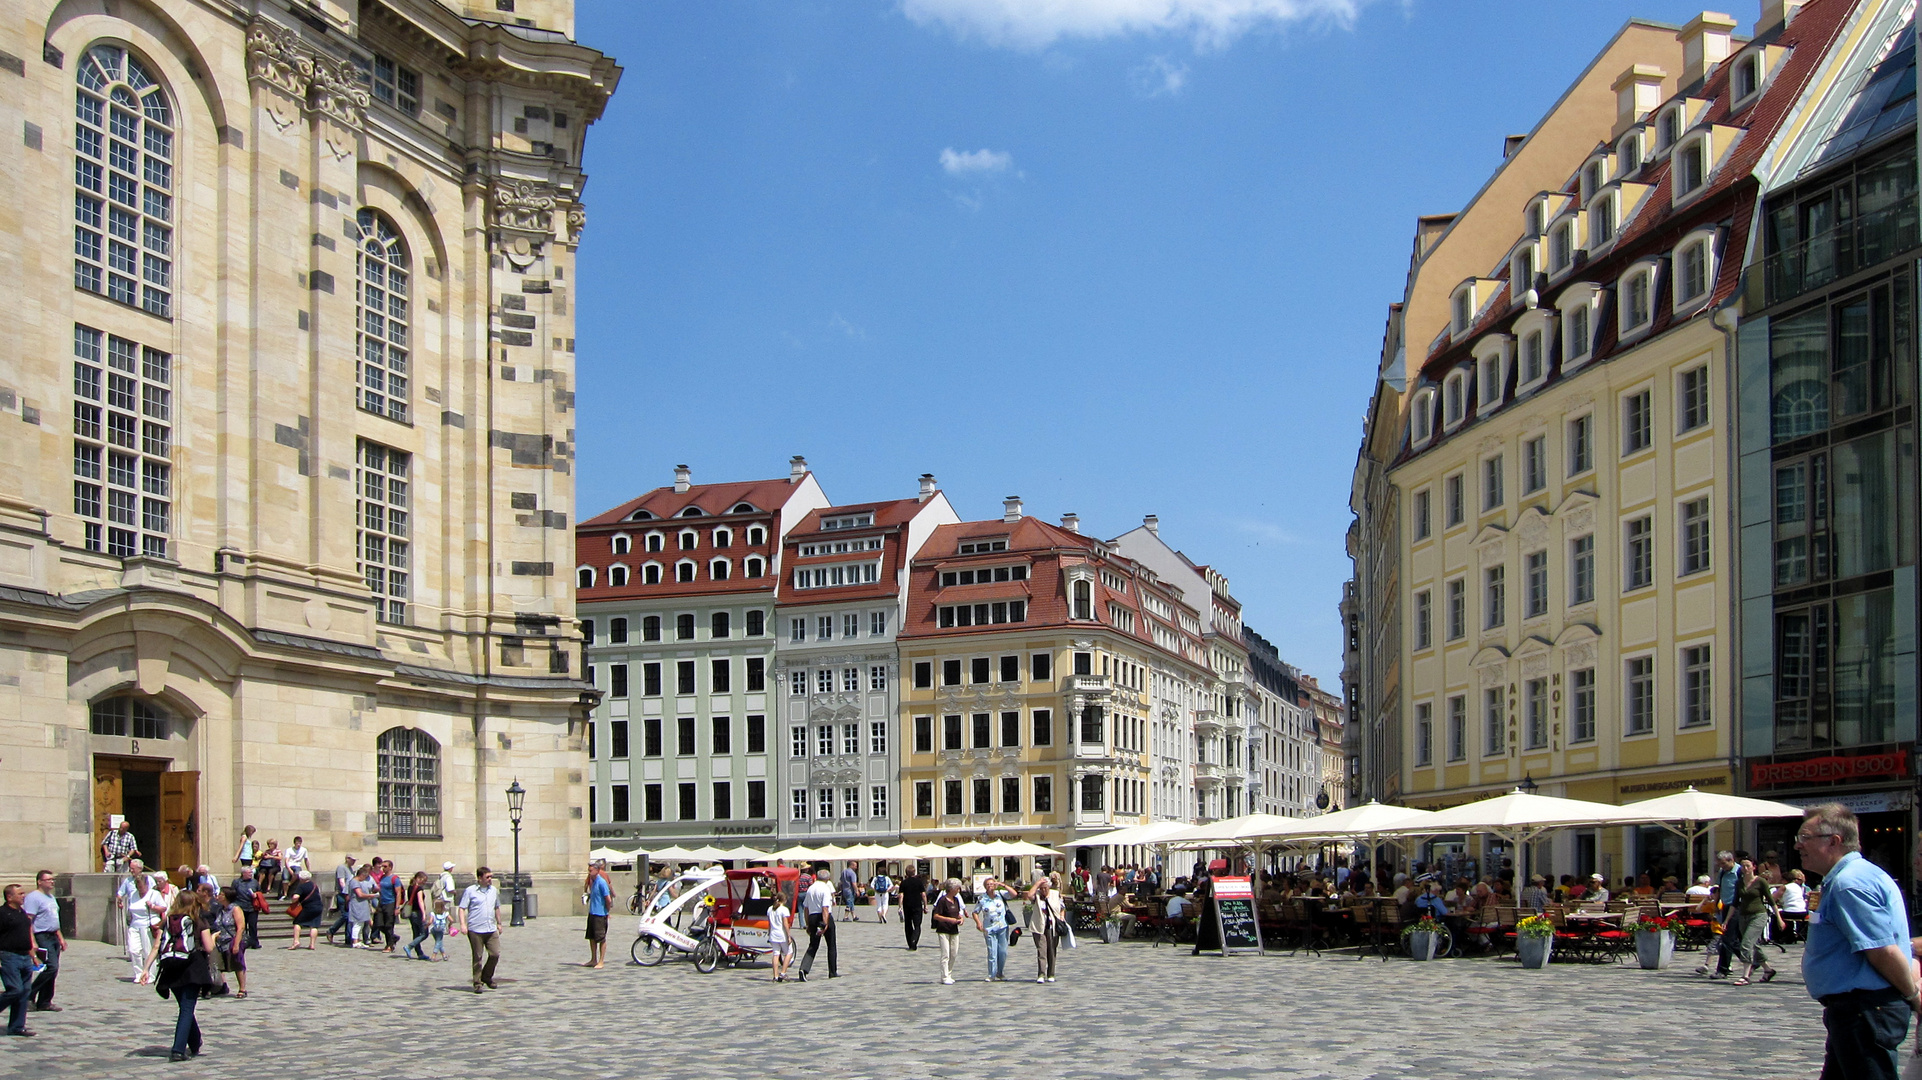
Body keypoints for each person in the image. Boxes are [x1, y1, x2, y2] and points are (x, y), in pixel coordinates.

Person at [1796, 803, 1915, 1079]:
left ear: (1834, 841)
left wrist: (1914, 996)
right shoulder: (1845, 878)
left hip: (1865, 1010)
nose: (1798, 846)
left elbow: (1881, 949)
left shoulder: (1850, 883)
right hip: (1856, 1011)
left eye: (1804, 838)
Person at [147, 888, 216, 1061]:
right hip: (193, 968)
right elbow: (208, 948)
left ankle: (195, 1042)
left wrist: (145, 969)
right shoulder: (199, 921)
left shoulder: (168, 921)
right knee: (186, 1009)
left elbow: (157, 946)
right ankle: (178, 1050)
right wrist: (214, 938)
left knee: (185, 1008)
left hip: (171, 968)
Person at [0, 884, 41, 1037]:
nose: (24, 896)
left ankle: (17, 1026)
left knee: (24, 992)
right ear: (9, 897)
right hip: (9, 957)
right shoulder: (3, 914)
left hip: (25, 957)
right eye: (20, 894)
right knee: (14, 990)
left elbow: (27, 936)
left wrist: (34, 956)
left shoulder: (22, 913)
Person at [1729, 859, 1777, 987]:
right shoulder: (1739, 882)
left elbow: (1771, 901)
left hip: (1758, 915)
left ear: (1754, 867)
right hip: (1743, 916)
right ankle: (1768, 970)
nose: (1745, 868)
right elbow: (1735, 902)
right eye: (1743, 866)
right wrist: (1726, 920)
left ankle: (1745, 975)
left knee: (1746, 944)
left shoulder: (1760, 881)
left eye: (1748, 866)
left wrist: (1779, 918)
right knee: (1753, 945)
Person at [456, 866, 504, 993]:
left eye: (491, 877)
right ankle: (477, 982)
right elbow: (462, 908)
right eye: (487, 877)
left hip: (490, 927)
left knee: (495, 954)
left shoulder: (493, 890)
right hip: (475, 929)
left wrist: (499, 923)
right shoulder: (470, 891)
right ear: (479, 878)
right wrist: (462, 924)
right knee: (477, 956)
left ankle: (486, 977)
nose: (490, 879)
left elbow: (497, 907)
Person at [24, 871, 64, 1013]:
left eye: (52, 880)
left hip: (53, 935)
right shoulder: (33, 898)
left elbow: (54, 919)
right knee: (50, 967)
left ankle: (45, 1001)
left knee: (53, 969)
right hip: (41, 935)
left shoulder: (51, 897)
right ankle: (29, 995)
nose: (52, 882)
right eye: (48, 880)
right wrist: (32, 941)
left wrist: (60, 938)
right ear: (39, 882)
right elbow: (28, 921)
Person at [798, 869, 837, 981]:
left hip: (812, 916)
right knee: (831, 945)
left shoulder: (811, 888)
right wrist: (825, 924)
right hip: (823, 917)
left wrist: (808, 924)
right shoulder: (825, 889)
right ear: (827, 878)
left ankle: (804, 969)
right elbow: (825, 907)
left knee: (813, 945)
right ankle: (832, 971)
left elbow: (806, 908)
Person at [973, 878, 1013, 982]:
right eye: (988, 884)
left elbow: (1014, 894)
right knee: (992, 952)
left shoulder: (1000, 894)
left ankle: (1000, 972)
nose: (990, 886)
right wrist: (978, 923)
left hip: (1002, 926)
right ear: (985, 886)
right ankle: (991, 974)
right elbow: (975, 912)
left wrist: (1002, 885)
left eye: (992, 884)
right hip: (989, 928)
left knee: (1003, 951)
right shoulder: (982, 898)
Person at [214, 885, 250, 998]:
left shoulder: (235, 909)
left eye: (221, 894)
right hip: (221, 942)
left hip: (233, 940)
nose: (218, 896)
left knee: (237, 964)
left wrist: (236, 944)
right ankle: (223, 986)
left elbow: (241, 927)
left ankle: (242, 988)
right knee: (221, 964)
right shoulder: (220, 909)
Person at [1029, 876, 1065, 983]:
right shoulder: (1037, 895)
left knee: (1052, 950)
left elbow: (1062, 907)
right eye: (1041, 888)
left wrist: (1062, 917)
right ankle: (1041, 974)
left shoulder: (1055, 894)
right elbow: (1029, 895)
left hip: (1053, 926)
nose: (1043, 890)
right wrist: (1037, 883)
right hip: (1039, 926)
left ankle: (1051, 974)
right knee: (1042, 950)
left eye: (1045, 888)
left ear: (1049, 887)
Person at [931, 878, 965, 985]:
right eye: (957, 888)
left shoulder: (956, 900)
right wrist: (948, 920)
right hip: (943, 930)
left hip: (954, 929)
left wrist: (961, 918)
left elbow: (958, 913)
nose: (958, 890)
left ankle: (949, 973)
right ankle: (944, 976)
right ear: (951, 889)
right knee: (945, 954)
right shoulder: (942, 900)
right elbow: (936, 916)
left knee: (954, 953)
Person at [583, 862, 612, 968]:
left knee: (601, 938)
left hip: (600, 914)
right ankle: (593, 959)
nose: (589, 872)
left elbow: (608, 899)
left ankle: (601, 961)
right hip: (592, 913)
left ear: (597, 870)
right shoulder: (593, 881)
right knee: (591, 937)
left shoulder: (601, 882)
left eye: (590, 870)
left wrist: (607, 912)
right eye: (588, 870)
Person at [285, 869, 323, 949]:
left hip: (308, 907)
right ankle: (312, 944)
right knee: (314, 925)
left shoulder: (301, 886)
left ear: (301, 878)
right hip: (318, 906)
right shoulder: (314, 885)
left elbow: (296, 897)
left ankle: (296, 941)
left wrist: (293, 900)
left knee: (297, 922)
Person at [325, 854, 356, 943]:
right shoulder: (341, 868)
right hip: (342, 894)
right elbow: (342, 882)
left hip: (349, 895)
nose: (354, 862)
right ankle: (331, 930)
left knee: (349, 917)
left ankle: (348, 937)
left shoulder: (351, 869)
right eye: (352, 860)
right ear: (347, 859)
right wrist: (346, 892)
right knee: (345, 915)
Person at [403, 871, 433, 960]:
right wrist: (424, 914)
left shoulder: (410, 887)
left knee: (416, 933)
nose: (424, 883)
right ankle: (409, 946)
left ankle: (419, 953)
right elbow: (420, 901)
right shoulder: (419, 889)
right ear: (418, 879)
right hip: (417, 912)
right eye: (423, 881)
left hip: (411, 913)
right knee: (424, 933)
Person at [374, 858, 402, 952]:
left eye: (385, 866)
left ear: (390, 867)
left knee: (389, 925)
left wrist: (397, 907)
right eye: (382, 866)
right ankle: (393, 938)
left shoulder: (394, 879)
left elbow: (398, 893)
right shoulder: (382, 877)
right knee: (378, 924)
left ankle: (389, 945)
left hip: (391, 903)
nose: (383, 868)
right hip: (382, 902)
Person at [1776, 869, 1810, 945]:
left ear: (1784, 880)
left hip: (1790, 912)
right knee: (1788, 918)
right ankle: (1791, 935)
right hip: (1803, 912)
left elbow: (1773, 898)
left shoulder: (1785, 887)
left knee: (1776, 915)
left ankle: (1780, 937)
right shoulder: (1798, 887)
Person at [347, 863, 377, 948]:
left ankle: (358, 940)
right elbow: (359, 894)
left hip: (362, 905)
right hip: (357, 905)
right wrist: (372, 896)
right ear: (361, 875)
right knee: (357, 923)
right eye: (364, 877)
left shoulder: (357, 881)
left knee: (361, 923)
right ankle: (355, 941)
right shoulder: (354, 882)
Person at [233, 866, 262, 950]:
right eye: (249, 873)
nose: (251, 874)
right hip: (240, 906)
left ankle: (254, 942)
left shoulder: (254, 882)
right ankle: (242, 942)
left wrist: (256, 894)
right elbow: (233, 893)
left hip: (252, 907)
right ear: (243, 873)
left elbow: (259, 892)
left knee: (253, 925)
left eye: (251, 872)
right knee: (242, 926)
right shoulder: (236, 882)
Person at [768, 887, 794, 982]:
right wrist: (788, 935)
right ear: (784, 900)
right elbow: (785, 924)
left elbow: (769, 923)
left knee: (775, 954)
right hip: (781, 934)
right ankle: (783, 972)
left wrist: (769, 932)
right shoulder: (784, 910)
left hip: (773, 934)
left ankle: (775, 975)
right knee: (789, 953)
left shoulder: (770, 909)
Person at [899, 864, 926, 950]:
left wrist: (900, 906)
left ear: (906, 873)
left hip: (907, 905)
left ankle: (910, 943)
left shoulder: (903, 882)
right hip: (917, 905)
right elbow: (923, 894)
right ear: (914, 872)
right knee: (917, 925)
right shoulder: (918, 882)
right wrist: (925, 905)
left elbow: (901, 895)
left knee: (908, 924)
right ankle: (914, 940)